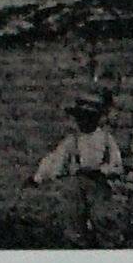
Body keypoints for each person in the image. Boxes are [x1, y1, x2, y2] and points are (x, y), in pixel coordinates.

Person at [25, 88, 124, 247]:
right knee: (74, 222)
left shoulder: (105, 138)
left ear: (96, 118)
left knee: (102, 220)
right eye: (80, 117)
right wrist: (38, 177)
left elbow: (116, 164)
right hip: (77, 186)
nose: (83, 121)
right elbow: (55, 160)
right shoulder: (72, 140)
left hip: (98, 185)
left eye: (88, 117)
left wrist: (103, 170)